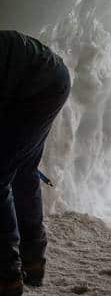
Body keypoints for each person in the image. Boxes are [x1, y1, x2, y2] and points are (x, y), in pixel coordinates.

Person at [0, 31, 71, 296]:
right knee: (23, 170)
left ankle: (7, 276)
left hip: (37, 87)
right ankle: (33, 263)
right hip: (52, 79)